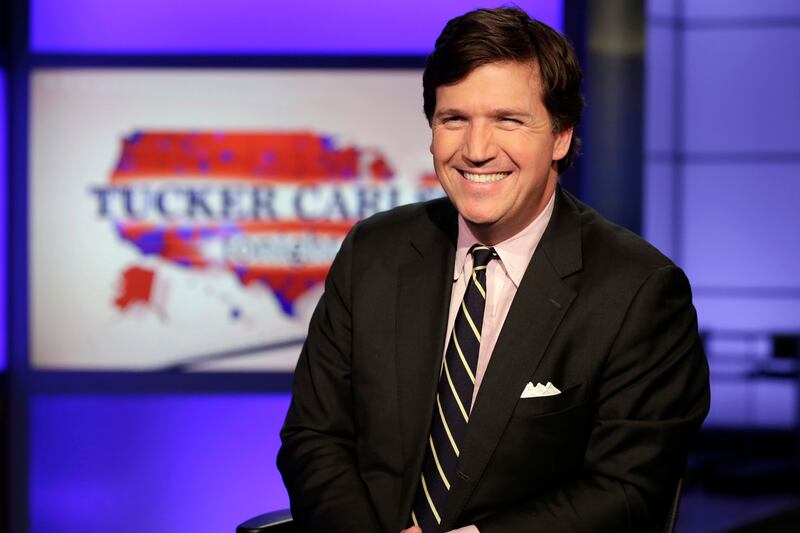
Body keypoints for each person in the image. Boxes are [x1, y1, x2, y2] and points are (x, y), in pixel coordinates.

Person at [277, 7, 709, 533]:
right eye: (454, 119)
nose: (476, 151)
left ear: (561, 137)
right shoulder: (374, 251)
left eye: (508, 120)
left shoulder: (637, 290)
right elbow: (313, 437)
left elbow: (630, 489)